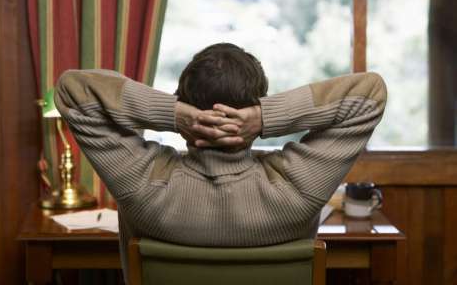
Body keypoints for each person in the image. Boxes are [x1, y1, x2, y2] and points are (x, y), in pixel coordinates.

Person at [55, 42, 387, 279]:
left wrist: (172, 114)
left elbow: (73, 90)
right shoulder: (296, 189)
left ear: (183, 103)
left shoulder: (144, 185)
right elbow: (369, 94)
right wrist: (263, 118)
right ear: (256, 108)